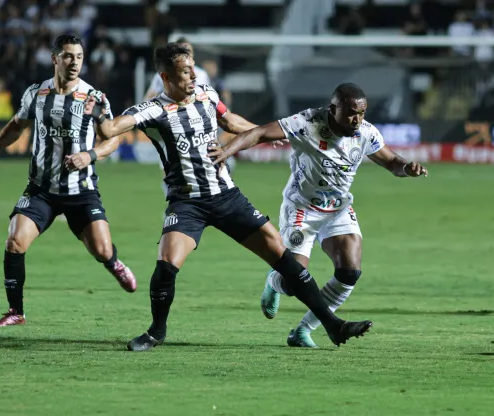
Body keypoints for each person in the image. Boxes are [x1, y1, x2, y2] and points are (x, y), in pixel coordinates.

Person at [85, 42, 373, 351]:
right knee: (167, 262)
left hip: (226, 195)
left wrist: (262, 134)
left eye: (193, 69)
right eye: (185, 73)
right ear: (165, 77)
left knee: (281, 255)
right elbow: (110, 130)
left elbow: (231, 121)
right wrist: (99, 110)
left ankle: (333, 326)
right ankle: (156, 332)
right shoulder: (152, 109)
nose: (193, 76)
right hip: (187, 201)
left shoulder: (207, 95)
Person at [210, 83, 428, 348]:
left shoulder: (366, 132)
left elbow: (392, 162)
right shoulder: (308, 122)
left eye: (361, 113)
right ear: (333, 109)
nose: (357, 119)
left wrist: (408, 168)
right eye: (351, 113)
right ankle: (274, 280)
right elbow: (258, 133)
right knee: (292, 283)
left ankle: (303, 330)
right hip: (302, 207)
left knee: (350, 271)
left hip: (337, 209)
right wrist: (226, 151)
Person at [0, 35, 137, 327]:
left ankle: (113, 262)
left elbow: (113, 140)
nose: (74, 62)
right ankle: (16, 312)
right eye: (68, 56)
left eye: (78, 56)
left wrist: (89, 155)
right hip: (42, 189)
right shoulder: (36, 94)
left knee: (102, 249)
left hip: (81, 191)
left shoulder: (94, 98)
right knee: (15, 241)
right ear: (55, 59)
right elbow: (18, 125)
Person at [142, 37, 236, 195]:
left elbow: (206, 101)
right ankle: (174, 203)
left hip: (199, 127)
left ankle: (214, 193)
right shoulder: (165, 75)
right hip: (174, 127)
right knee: (172, 169)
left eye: (189, 52)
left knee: (216, 163)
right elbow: (149, 97)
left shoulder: (200, 74)